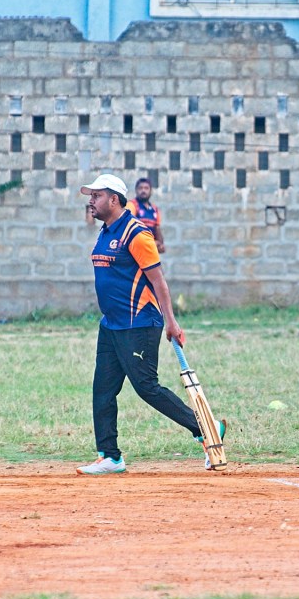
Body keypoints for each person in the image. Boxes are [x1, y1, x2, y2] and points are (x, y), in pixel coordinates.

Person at [78, 174, 222, 474]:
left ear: (114, 199)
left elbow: (159, 281)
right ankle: (110, 456)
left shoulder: (136, 233)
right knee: (102, 390)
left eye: (96, 196)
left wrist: (171, 322)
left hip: (139, 324)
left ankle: (206, 428)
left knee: (146, 387)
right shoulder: (105, 231)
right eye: (90, 196)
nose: (91, 201)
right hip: (111, 325)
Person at [127, 177, 165, 253]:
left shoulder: (155, 209)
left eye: (146, 188)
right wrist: (151, 243)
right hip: (135, 250)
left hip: (149, 249)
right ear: (136, 190)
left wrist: (160, 245)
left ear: (151, 191)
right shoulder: (132, 205)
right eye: (140, 188)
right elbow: (129, 229)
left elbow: (157, 229)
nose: (143, 191)